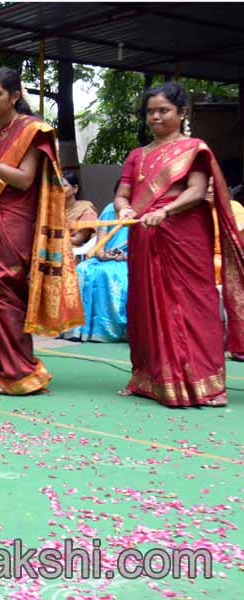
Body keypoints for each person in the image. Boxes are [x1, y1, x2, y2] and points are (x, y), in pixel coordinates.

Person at [113, 81, 244, 407]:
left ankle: (204, 385)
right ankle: (151, 379)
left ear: (182, 112)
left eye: (163, 110)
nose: (155, 117)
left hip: (183, 237)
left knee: (192, 305)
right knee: (146, 307)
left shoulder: (194, 150)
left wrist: (164, 211)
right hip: (143, 237)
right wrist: (124, 208)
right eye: (150, 112)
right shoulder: (136, 156)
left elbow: (198, 191)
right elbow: (122, 193)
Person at [0, 67, 82, 395]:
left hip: (16, 219)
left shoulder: (33, 130)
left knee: (3, 285)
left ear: (15, 95)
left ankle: (22, 371)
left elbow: (24, 179)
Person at [62, 198, 128, 342]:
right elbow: (99, 247)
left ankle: (106, 330)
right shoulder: (110, 210)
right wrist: (104, 255)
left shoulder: (143, 211)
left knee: (107, 273)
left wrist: (126, 256)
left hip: (131, 260)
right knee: (81, 269)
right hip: (104, 258)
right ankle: (78, 330)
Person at [62, 171, 98, 247]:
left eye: (64, 186)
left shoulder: (85, 209)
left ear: (75, 188)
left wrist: (55, 238)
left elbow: (78, 240)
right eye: (58, 186)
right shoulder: (53, 209)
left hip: (74, 250)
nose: (60, 189)